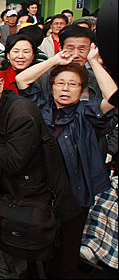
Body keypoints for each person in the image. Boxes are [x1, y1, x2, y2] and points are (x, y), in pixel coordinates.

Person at [0, 54, 82, 279]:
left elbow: (12, 162)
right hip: (7, 196)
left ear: (1, 84)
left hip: (35, 199)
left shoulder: (21, 112)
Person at [15, 44, 117, 278]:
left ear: (82, 90)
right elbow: (22, 80)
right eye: (60, 83)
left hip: (75, 195)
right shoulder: (40, 106)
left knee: (67, 255)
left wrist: (93, 63)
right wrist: (54, 61)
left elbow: (112, 98)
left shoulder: (87, 112)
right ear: (51, 87)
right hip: (41, 194)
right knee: (38, 249)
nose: (65, 88)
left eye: (73, 84)